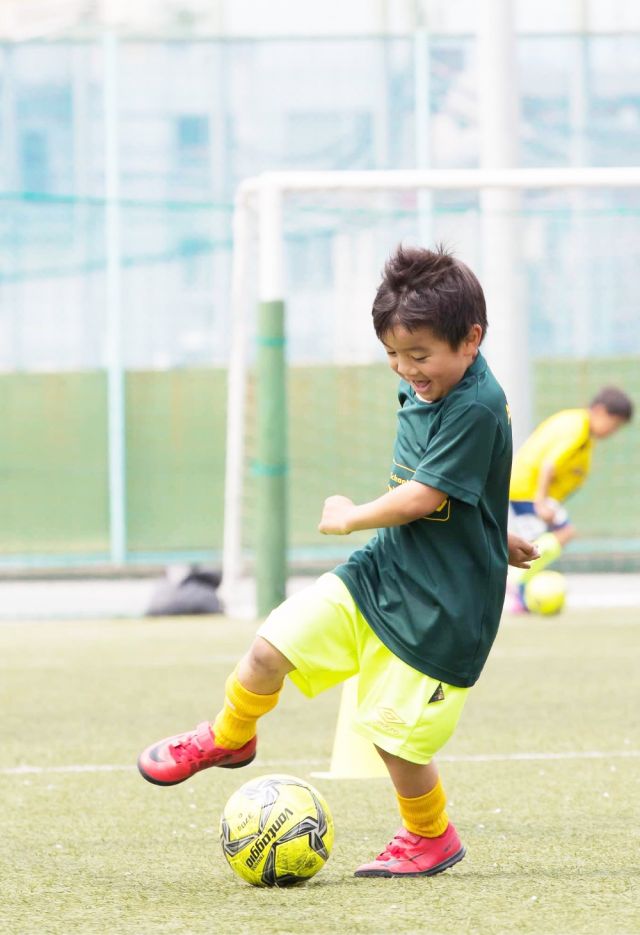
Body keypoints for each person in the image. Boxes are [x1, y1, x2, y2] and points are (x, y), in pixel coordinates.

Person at [138, 244, 536, 878]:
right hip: (384, 570)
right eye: (394, 356)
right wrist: (494, 528)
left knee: (392, 741)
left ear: (472, 339)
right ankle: (231, 734)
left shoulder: (477, 403)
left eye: (419, 355)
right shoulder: (438, 380)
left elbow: (426, 494)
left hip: (444, 605)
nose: (407, 370)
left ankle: (429, 836)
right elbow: (470, 482)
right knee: (270, 646)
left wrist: (352, 515)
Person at [507, 386, 633, 612]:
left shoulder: (579, 428)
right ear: (600, 410)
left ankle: (523, 597)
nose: (612, 431)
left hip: (526, 488)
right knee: (555, 535)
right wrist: (541, 501)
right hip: (527, 489)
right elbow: (549, 464)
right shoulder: (578, 427)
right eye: (613, 424)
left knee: (538, 540)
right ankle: (515, 581)